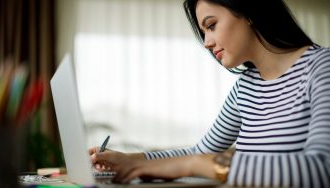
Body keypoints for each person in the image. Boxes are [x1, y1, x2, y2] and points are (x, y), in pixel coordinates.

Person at [90, 0, 330, 187]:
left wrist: (194, 165)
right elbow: (200, 153)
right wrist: (134, 160)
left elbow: (321, 170)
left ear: (248, 11)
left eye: (211, 25)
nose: (206, 42)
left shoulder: (322, 68)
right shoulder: (245, 88)